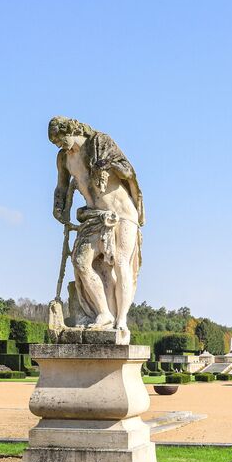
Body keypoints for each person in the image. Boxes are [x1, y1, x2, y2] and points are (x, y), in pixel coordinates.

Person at [48, 116, 143, 336]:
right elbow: (61, 187)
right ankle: (104, 312)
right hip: (94, 216)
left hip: (122, 213)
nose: (60, 145)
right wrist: (58, 207)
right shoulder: (63, 158)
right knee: (80, 262)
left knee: (121, 264)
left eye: (61, 139)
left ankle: (121, 320)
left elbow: (128, 171)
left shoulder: (99, 142)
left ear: (72, 130)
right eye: (55, 143)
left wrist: (104, 164)